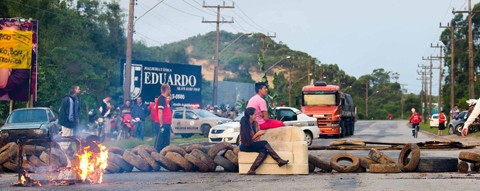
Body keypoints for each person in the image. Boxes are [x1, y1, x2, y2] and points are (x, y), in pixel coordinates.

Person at [239, 107, 289, 175]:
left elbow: (256, 139)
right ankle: (279, 160)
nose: (256, 116)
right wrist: (257, 134)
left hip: (252, 143)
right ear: (250, 116)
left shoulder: (255, 123)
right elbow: (247, 141)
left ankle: (252, 170)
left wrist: (258, 135)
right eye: (255, 114)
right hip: (245, 146)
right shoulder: (245, 125)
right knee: (264, 143)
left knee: (264, 151)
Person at [155, 84, 173, 152]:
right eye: (169, 89)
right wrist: (161, 124)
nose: (170, 91)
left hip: (167, 123)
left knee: (166, 141)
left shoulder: (165, 100)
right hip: (163, 124)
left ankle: (165, 154)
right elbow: (160, 112)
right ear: (167, 90)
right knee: (160, 141)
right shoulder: (161, 99)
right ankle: (157, 154)